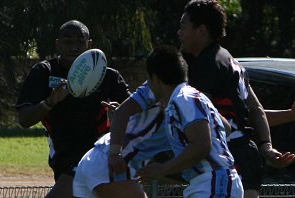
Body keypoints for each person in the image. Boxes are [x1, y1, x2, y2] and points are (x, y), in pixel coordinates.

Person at [177, 1, 295, 197]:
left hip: (228, 155)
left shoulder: (206, 65)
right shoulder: (232, 62)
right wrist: (266, 146)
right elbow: (254, 110)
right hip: (246, 154)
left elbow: (203, 118)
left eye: (183, 26)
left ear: (201, 30)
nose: (179, 32)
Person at [15, 20, 131, 198]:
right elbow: (24, 119)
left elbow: (134, 113)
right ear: (57, 44)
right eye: (68, 41)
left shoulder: (109, 76)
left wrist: (119, 112)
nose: (74, 47)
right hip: (63, 159)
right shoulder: (44, 72)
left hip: (99, 157)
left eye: (80, 41)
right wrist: (49, 102)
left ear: (89, 44)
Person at [136, 45, 243, 197]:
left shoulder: (183, 99)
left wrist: (163, 169)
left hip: (213, 183)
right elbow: (226, 127)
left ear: (155, 78)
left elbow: (201, 145)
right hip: (213, 182)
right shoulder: (190, 96)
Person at [73, 82, 171, 197]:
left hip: (97, 159)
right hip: (112, 164)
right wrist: (115, 153)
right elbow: (122, 111)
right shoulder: (167, 87)